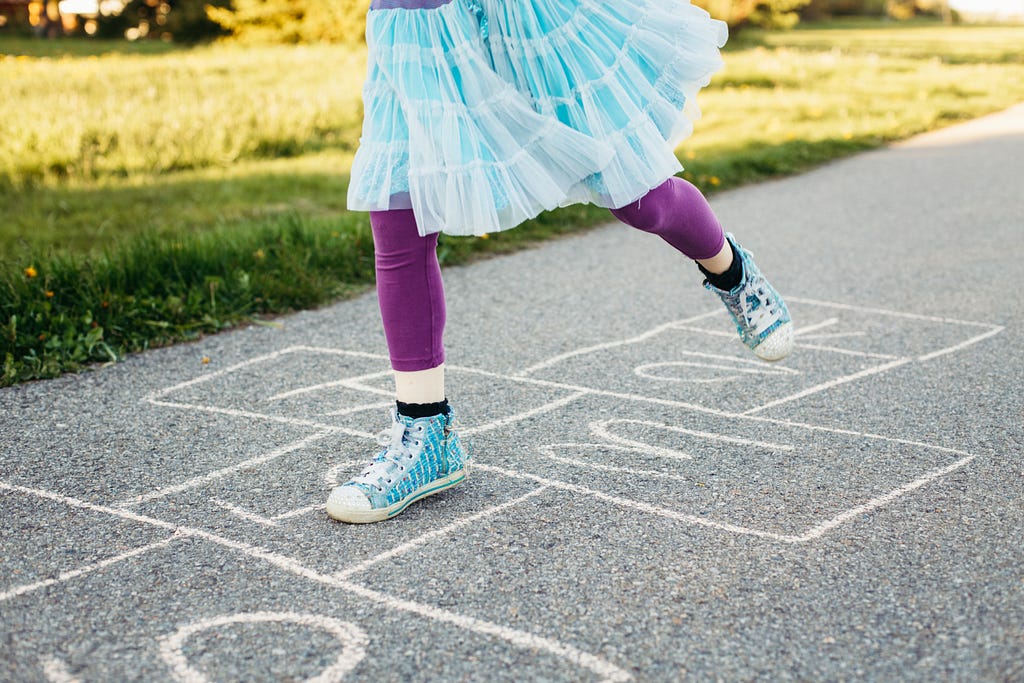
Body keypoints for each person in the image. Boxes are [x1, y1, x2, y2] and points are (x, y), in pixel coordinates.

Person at [326, 0, 793, 524]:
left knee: (641, 198)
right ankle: (426, 433)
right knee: (398, 215)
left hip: (522, 17)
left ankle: (732, 273)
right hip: (415, 26)